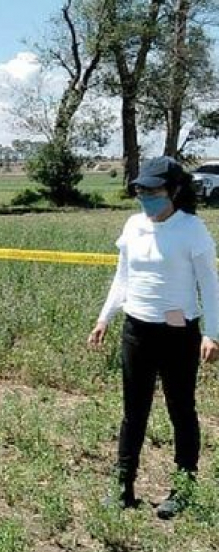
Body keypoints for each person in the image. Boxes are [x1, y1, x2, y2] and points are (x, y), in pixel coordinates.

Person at [88, 156, 219, 518]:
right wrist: (104, 317)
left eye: (154, 191)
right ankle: (122, 488)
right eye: (141, 191)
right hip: (136, 329)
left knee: (181, 410)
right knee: (134, 412)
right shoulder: (133, 226)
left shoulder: (192, 230)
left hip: (178, 331)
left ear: (174, 191)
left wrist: (212, 333)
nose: (146, 197)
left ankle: (183, 489)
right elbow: (122, 277)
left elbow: (210, 284)